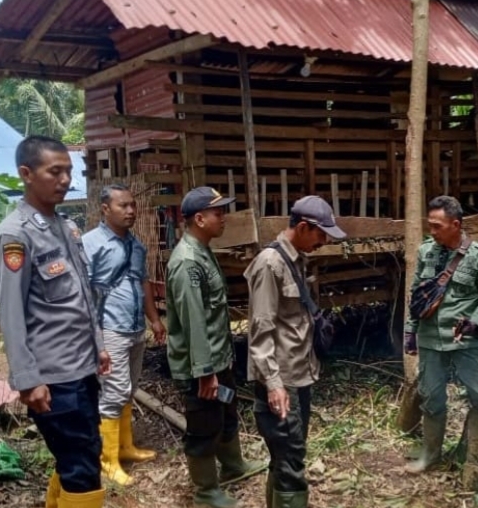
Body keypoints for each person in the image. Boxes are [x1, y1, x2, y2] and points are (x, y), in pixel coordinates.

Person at [0, 135, 111, 508]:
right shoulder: (15, 235)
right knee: (81, 465)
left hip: (81, 367)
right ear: (26, 173)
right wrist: (29, 380)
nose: (64, 180)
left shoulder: (64, 226)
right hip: (54, 377)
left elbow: (82, 298)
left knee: (81, 453)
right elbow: (10, 315)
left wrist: (99, 346)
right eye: (54, 171)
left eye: (68, 171)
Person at [403, 195, 478, 475]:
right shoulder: (425, 252)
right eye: (429, 225)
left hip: (465, 340)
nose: (431, 231)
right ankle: (430, 456)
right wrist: (411, 332)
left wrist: (476, 324)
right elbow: (417, 296)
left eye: (437, 226)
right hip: (431, 339)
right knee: (431, 399)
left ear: (455, 224)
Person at [245, 195, 347, 508]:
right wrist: (274, 384)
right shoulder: (270, 263)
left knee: (287, 455)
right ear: (303, 227)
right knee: (291, 461)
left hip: (299, 374)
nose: (324, 240)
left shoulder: (296, 259)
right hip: (281, 379)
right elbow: (260, 330)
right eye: (320, 234)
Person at [167, 187, 265, 508]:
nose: (223, 218)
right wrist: (204, 374)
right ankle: (206, 492)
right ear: (199, 218)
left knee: (226, 411)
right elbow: (194, 323)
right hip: (201, 369)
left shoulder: (203, 249)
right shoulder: (187, 262)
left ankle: (234, 465)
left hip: (218, 360)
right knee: (203, 426)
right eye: (218, 213)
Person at [82, 183, 166, 486]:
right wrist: (93, 336)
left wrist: (154, 319)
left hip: (134, 327)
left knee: (128, 388)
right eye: (123, 206)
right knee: (113, 392)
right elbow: (83, 292)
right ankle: (108, 460)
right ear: (105, 209)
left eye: (133, 205)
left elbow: (143, 283)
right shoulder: (90, 244)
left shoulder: (136, 245)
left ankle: (126, 447)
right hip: (109, 328)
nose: (130, 211)